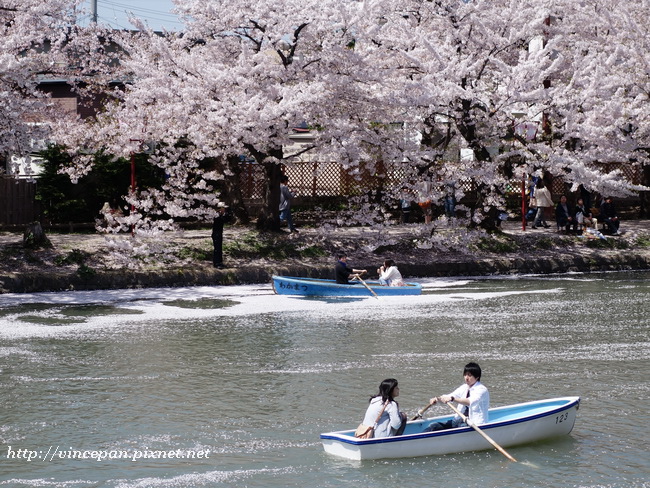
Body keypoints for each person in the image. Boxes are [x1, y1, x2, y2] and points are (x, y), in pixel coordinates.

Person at [425, 362, 489, 431]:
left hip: (473, 423)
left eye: (469, 375)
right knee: (433, 426)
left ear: (477, 377)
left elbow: (469, 402)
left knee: (461, 427)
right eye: (465, 375)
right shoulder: (464, 387)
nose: (466, 378)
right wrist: (437, 399)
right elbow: (450, 396)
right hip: (458, 420)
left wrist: (453, 399)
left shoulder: (482, 390)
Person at [212, 202, 231, 268]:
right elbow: (222, 220)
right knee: (217, 249)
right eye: (223, 208)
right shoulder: (216, 215)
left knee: (219, 248)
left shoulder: (221, 215)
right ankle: (216, 263)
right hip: (216, 233)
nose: (224, 210)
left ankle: (220, 262)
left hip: (219, 233)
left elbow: (228, 219)